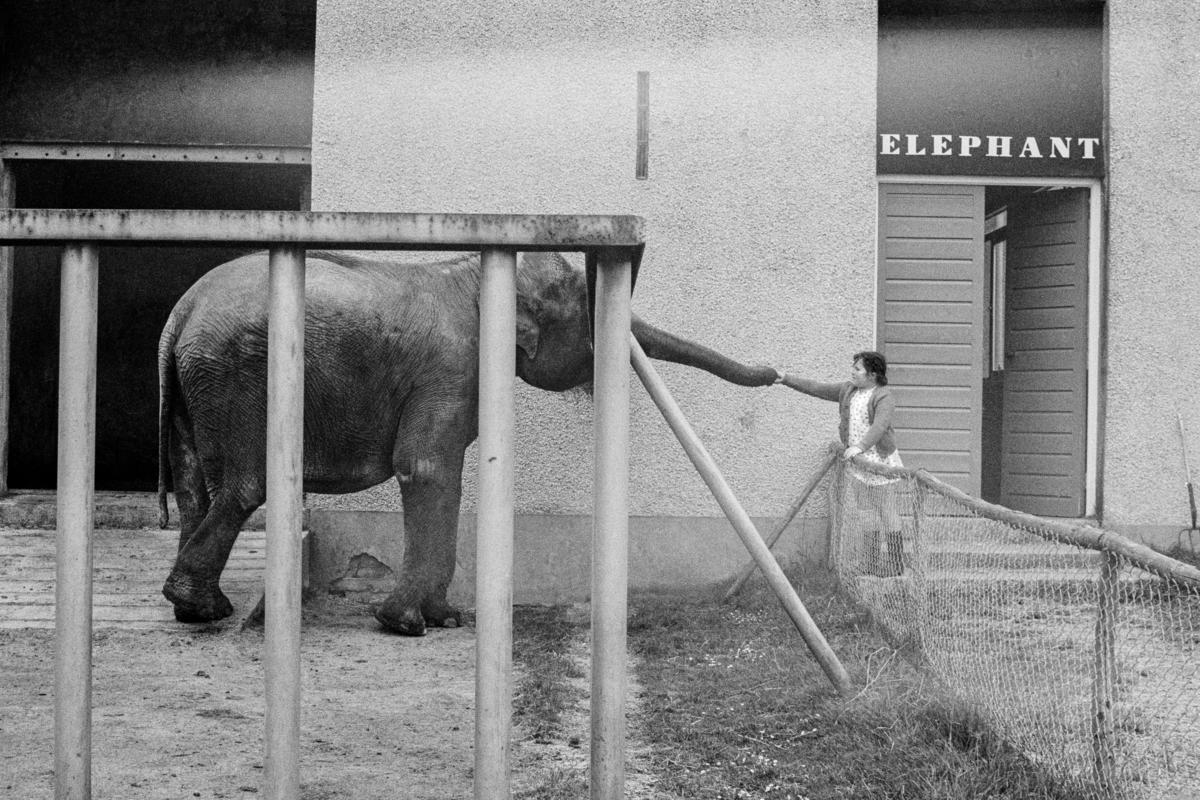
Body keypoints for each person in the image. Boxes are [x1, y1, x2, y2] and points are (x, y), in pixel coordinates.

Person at [774, 351, 906, 576]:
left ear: (873, 374)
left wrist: (860, 446)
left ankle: (895, 564)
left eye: (858, 369)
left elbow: (880, 426)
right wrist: (786, 378)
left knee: (886, 510)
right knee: (867, 512)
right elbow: (817, 388)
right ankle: (872, 563)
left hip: (880, 461)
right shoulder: (848, 390)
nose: (852, 372)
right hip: (859, 462)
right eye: (853, 367)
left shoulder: (883, 396)